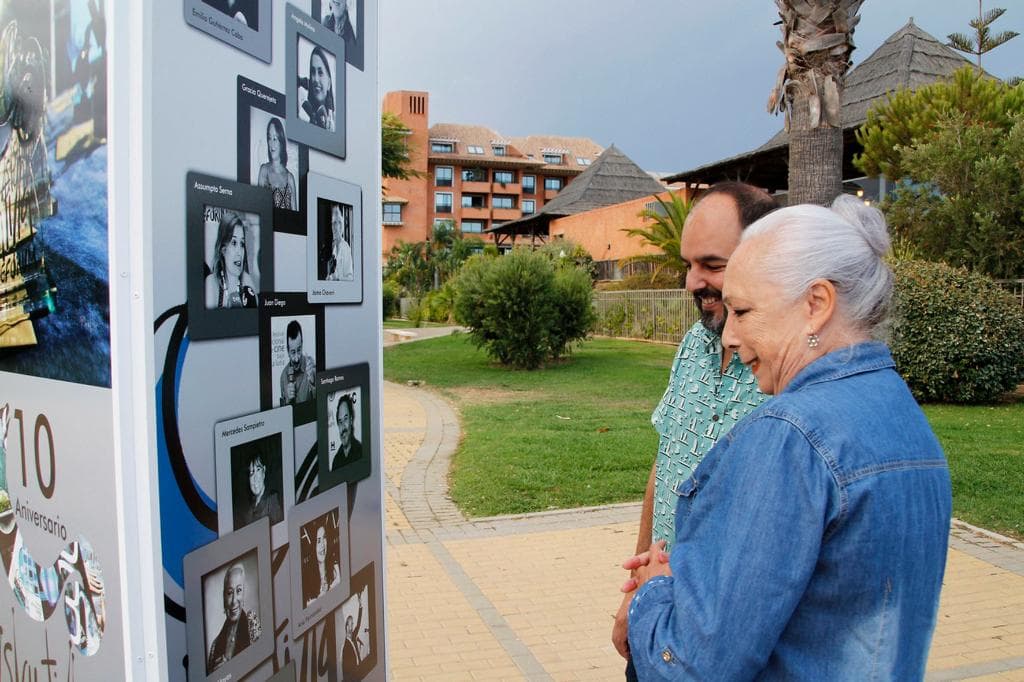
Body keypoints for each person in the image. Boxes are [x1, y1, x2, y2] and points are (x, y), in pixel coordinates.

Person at [625, 196, 952, 680]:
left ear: (816, 305)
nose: (730, 337)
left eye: (743, 311)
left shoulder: (789, 437)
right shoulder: (903, 413)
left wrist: (652, 593)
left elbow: (695, 667)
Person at [612, 182, 777, 679]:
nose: (691, 282)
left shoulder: (786, 371)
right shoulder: (692, 344)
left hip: (722, 637)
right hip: (659, 613)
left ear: (761, 258)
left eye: (711, 264)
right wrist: (636, 592)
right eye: (688, 265)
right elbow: (665, 466)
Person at [207, 563, 261, 674]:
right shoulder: (214, 646)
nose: (234, 600)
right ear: (223, 597)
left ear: (244, 592)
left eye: (239, 590)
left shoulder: (252, 623)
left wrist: (231, 669)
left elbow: (261, 667)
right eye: (230, 593)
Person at [205, 212, 258, 309]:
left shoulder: (247, 282)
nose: (239, 252)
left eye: (242, 244)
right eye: (234, 243)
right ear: (223, 249)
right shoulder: (211, 283)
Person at [236, 447, 283, 529]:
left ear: (264, 471)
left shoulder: (273, 500)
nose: (255, 477)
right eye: (251, 473)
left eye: (258, 469)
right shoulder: (248, 511)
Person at [257, 117, 297, 211]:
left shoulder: (289, 177)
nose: (271, 143)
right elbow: (258, 207)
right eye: (269, 138)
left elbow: (295, 217)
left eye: (275, 139)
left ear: (281, 142)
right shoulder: (264, 171)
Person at [279, 321, 316, 406]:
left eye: (299, 350)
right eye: (293, 352)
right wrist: (287, 399)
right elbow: (282, 414)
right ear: (287, 351)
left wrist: (313, 383)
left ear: (302, 344)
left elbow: (321, 404)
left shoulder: (312, 366)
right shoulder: (283, 376)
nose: (296, 358)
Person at [299, 46, 335, 131]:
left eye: (320, 72)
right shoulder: (302, 114)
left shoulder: (335, 122)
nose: (315, 79)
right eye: (312, 72)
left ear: (329, 83)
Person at [305, 523, 340, 607]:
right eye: (318, 541)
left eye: (324, 538)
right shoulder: (307, 580)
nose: (322, 545)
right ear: (313, 545)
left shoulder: (335, 567)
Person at [330, 393, 362, 470]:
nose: (343, 427)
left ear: (351, 420)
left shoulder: (361, 452)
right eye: (340, 422)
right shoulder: (336, 461)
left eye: (345, 419)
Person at [325, 204, 354, 281]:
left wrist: (337, 279)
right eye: (334, 223)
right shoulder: (330, 247)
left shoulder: (345, 247)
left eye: (339, 222)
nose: (337, 227)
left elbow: (350, 278)